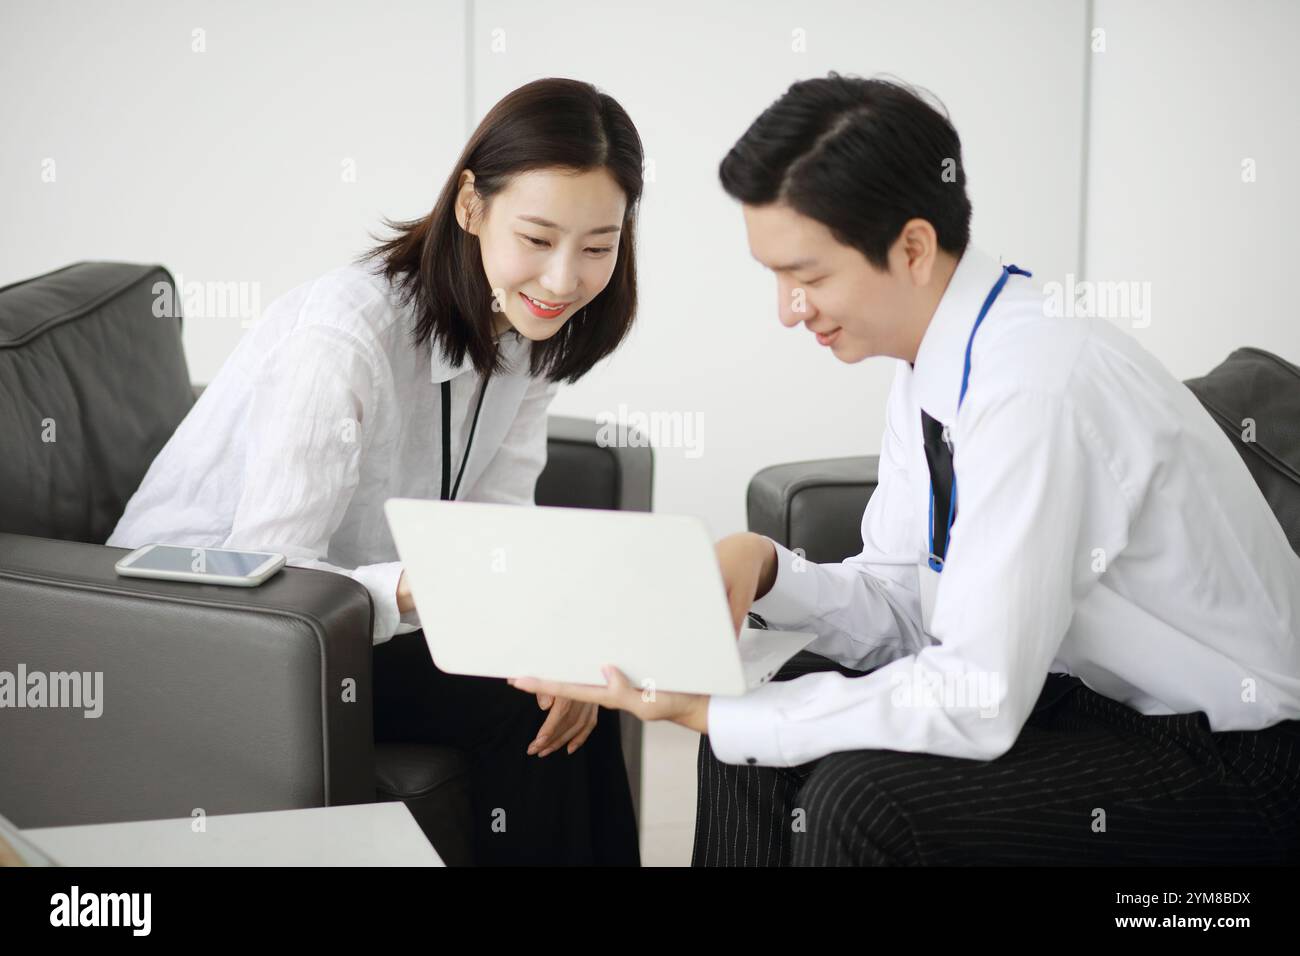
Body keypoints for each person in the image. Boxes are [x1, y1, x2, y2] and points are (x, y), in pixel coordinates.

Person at [508, 73, 1300, 866]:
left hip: (1237, 755)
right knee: (755, 732)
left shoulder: (1036, 387)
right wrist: (769, 569)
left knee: (853, 797)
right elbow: (910, 611)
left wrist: (707, 713)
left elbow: (977, 695)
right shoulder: (937, 362)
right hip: (1083, 699)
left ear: (913, 248)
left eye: (808, 276)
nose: (788, 309)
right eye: (776, 277)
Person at [108, 77, 644, 865]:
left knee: (586, 687)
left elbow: (499, 517)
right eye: (537, 239)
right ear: (471, 205)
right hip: (211, 629)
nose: (565, 280)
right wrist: (426, 586)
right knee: (523, 709)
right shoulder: (345, 335)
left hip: (354, 619)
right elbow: (274, 580)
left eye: (598, 248)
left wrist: (550, 638)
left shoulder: (531, 328)